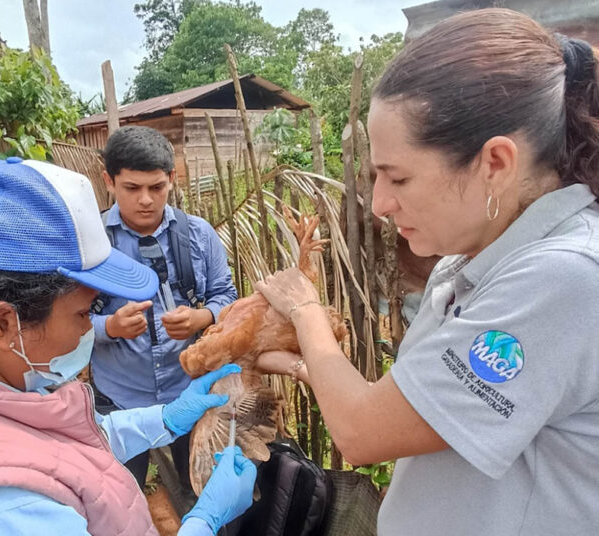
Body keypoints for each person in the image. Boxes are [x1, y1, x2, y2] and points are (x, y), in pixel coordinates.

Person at [254, 9, 599, 536]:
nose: (380, 204)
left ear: (495, 163)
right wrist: (305, 367)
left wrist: (304, 310)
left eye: (398, 178)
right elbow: (417, 409)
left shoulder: (565, 277)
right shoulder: (470, 260)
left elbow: (364, 432)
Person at [0, 158, 256, 536]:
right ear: (2, 324)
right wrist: (204, 521)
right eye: (83, 313)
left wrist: (166, 418)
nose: (87, 330)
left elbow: (56, 448)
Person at [91, 126, 238, 491]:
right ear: (109, 181)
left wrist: (202, 317)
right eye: (132, 188)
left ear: (172, 178)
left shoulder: (199, 235)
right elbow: (60, 320)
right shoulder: (91, 242)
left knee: (199, 489)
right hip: (118, 401)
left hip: (189, 393)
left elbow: (227, 296)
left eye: (156, 187)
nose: (145, 200)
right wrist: (109, 327)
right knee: (119, 497)